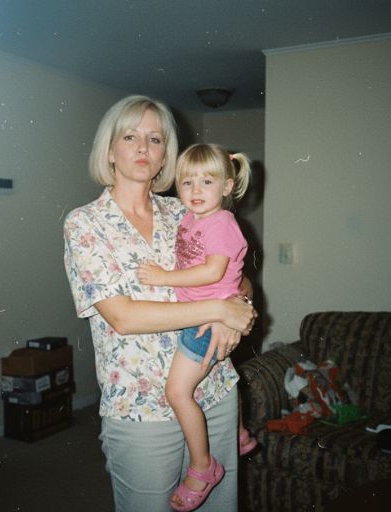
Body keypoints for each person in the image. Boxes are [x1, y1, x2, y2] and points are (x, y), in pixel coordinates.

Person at [63, 95, 257, 512]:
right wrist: (219, 310)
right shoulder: (85, 224)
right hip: (141, 406)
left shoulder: (186, 208)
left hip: (215, 390)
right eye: (129, 137)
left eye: (155, 139)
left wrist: (238, 306)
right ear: (109, 150)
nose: (143, 148)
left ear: (166, 153)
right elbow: (123, 317)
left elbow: (237, 276)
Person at [136, 143, 258, 510]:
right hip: (205, 317)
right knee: (223, 371)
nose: (195, 190)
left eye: (207, 182)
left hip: (205, 322)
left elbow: (212, 272)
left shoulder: (222, 223)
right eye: (187, 182)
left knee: (177, 392)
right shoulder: (192, 218)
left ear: (227, 186)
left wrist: (163, 277)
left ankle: (203, 467)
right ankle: (240, 435)